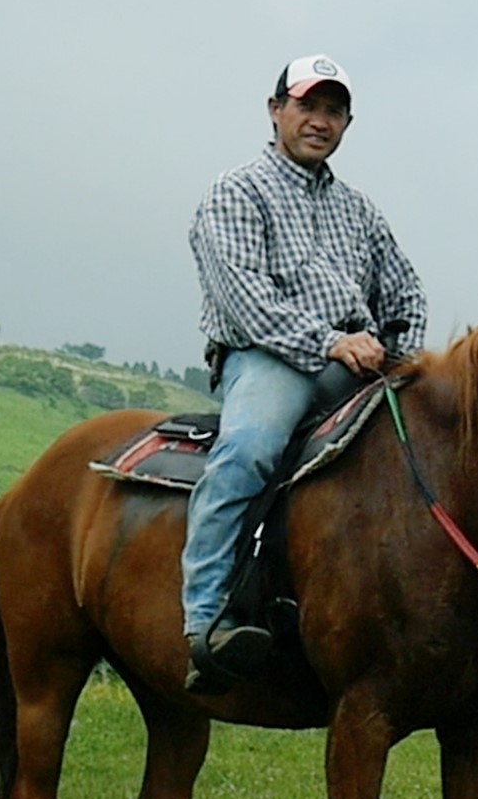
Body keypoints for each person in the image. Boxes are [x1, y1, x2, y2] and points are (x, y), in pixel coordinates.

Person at [181, 53, 427, 692]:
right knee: (250, 449)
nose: (319, 120)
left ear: (347, 122)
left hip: (363, 362)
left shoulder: (360, 211)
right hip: (271, 357)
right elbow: (245, 301)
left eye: (333, 110)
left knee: (442, 450)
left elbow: (406, 293)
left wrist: (404, 356)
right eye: (306, 106)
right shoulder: (236, 191)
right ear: (275, 111)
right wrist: (330, 342)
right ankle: (205, 620)